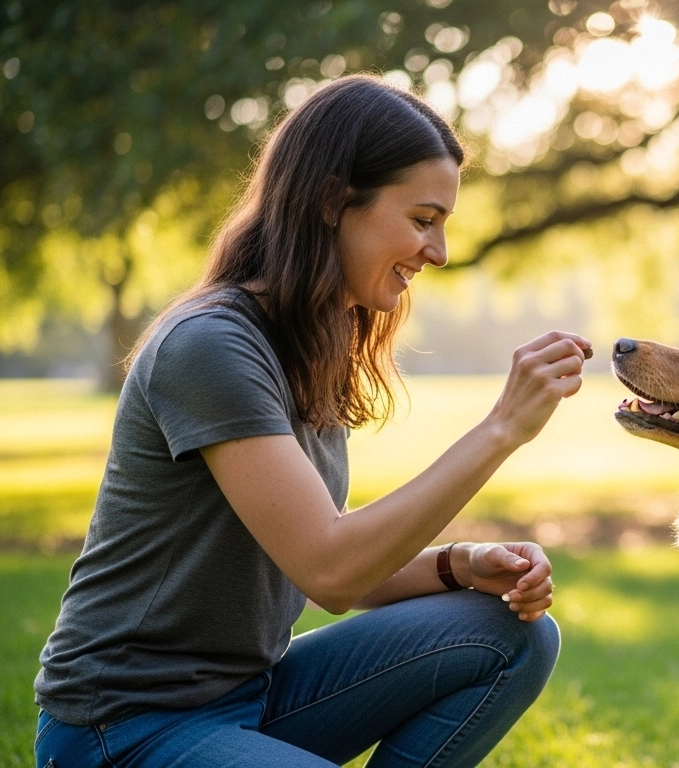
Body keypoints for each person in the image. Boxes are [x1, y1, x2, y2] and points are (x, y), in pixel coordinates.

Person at [33, 76, 583, 767]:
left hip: (251, 696)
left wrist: (462, 565)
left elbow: (315, 559)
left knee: (518, 635)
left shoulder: (310, 344)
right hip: (123, 726)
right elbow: (331, 570)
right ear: (331, 202)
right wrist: (501, 428)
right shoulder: (212, 346)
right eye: (422, 219)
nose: (438, 251)